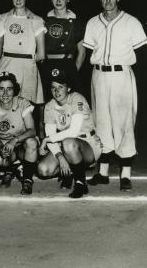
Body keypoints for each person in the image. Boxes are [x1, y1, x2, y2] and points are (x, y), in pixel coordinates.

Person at [83, 0, 147, 191]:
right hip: (99, 75)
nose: (108, 0)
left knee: (123, 123)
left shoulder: (131, 22)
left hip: (122, 75)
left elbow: (143, 54)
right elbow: (87, 53)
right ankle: (102, 173)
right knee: (101, 123)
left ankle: (125, 174)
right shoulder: (93, 22)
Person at [37, 70, 102, 198]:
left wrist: (47, 139)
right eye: (53, 87)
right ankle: (71, 172)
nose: (57, 91)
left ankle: (80, 182)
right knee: (43, 169)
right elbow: (51, 136)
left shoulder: (77, 99)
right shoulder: (49, 106)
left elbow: (74, 131)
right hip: (67, 146)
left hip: (88, 144)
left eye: (61, 87)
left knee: (68, 142)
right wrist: (61, 158)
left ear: (69, 88)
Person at [0, 72, 38, 194]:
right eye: (1, 89)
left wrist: (15, 140)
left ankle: (27, 179)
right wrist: (2, 149)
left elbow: (32, 130)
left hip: (22, 142)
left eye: (9, 89)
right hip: (4, 143)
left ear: (15, 90)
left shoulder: (23, 104)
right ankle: (12, 167)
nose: (5, 93)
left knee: (32, 142)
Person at [0, 0, 46, 104]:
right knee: (5, 102)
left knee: (26, 106)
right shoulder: (2, 19)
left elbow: (41, 54)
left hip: (27, 67)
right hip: (7, 65)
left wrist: (25, 60)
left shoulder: (36, 20)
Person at [39, 0, 86, 100]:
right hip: (48, 65)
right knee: (47, 102)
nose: (58, 1)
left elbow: (82, 52)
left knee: (71, 102)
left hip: (67, 64)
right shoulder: (43, 20)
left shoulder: (76, 22)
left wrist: (73, 72)